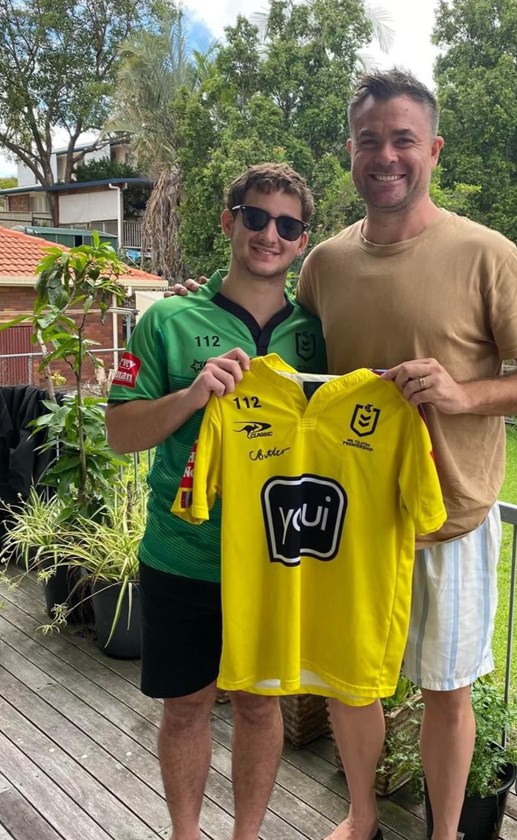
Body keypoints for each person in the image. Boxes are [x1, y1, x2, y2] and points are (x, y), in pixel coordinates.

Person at [171, 70, 517, 840]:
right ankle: (361, 816)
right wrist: (206, 298)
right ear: (350, 150)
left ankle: (445, 831)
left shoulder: (486, 253)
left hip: (448, 518)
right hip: (344, 522)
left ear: (433, 148)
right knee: (351, 685)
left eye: (402, 140)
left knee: (445, 689)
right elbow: (285, 345)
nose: (385, 156)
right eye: (369, 140)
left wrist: (463, 396)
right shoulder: (323, 262)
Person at [105, 163, 326, 840]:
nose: (269, 234)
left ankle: (247, 836)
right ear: (229, 221)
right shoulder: (169, 320)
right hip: (183, 556)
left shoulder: (316, 334)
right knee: (185, 709)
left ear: (301, 241)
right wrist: (193, 395)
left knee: (263, 711)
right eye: (256, 217)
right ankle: (185, 833)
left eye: (287, 226)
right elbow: (118, 433)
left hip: (274, 562)